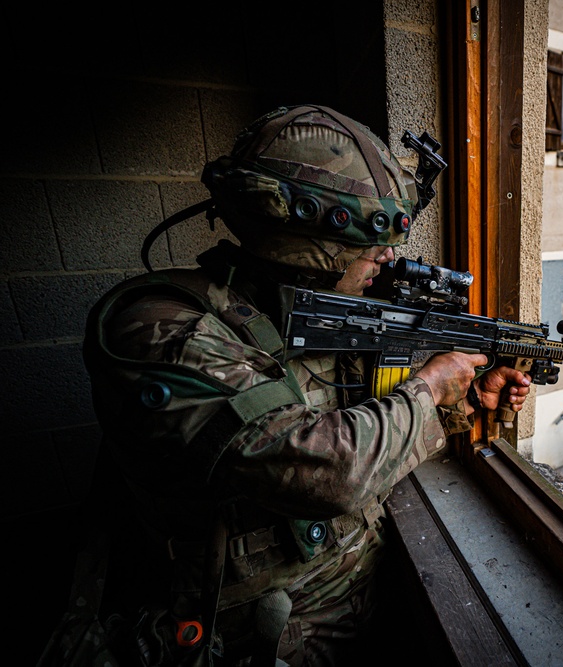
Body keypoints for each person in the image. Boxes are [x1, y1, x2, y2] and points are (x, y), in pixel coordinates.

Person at [69, 104, 531, 666]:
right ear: (305, 235)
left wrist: (464, 396)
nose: (388, 257)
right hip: (254, 641)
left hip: (362, 600)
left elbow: (359, 409)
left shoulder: (308, 314)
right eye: (371, 238)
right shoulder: (158, 329)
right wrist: (432, 389)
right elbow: (323, 468)